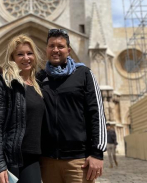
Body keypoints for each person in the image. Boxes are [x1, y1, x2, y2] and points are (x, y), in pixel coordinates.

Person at [38, 29, 107, 183]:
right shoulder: (40, 78)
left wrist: (97, 153)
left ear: (68, 50)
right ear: (46, 49)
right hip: (48, 161)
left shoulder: (84, 74)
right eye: (51, 46)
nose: (55, 50)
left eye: (60, 46)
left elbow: (97, 113)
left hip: (78, 161)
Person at [0, 34, 45, 183]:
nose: (26, 58)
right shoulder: (4, 82)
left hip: (32, 158)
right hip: (10, 159)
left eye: (29, 53)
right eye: (20, 54)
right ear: (12, 58)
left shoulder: (38, 84)